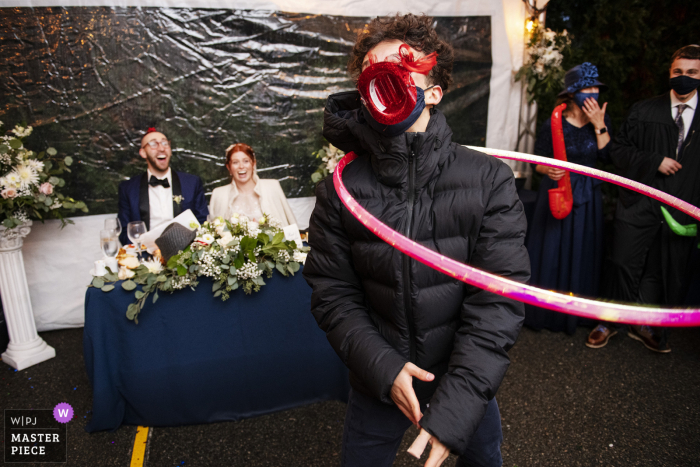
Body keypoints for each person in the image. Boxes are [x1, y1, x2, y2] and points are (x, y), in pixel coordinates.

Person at [302, 13, 530, 467]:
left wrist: (459, 405)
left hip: (462, 376)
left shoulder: (488, 181)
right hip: (377, 375)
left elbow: (497, 303)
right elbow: (332, 294)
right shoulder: (341, 188)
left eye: (400, 68)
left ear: (434, 93)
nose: (383, 78)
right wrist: (383, 370)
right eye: (372, 70)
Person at [587, 45, 700, 352]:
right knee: (622, 261)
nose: (684, 77)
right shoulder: (645, 110)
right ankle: (609, 320)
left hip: (682, 208)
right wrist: (655, 161)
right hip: (639, 202)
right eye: (678, 71)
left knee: (660, 269)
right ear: (669, 73)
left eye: (692, 73)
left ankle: (643, 322)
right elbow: (617, 152)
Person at [524, 63, 612, 335]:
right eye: (588, 88)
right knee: (552, 249)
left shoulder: (603, 120)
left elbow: (609, 159)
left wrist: (600, 126)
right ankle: (545, 312)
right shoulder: (554, 122)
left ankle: (576, 313)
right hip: (557, 191)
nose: (594, 93)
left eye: (596, 88)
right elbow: (535, 162)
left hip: (587, 196)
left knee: (582, 250)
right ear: (573, 93)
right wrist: (546, 168)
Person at [117, 128, 208, 246]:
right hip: (146, 258)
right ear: (143, 152)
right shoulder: (128, 189)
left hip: (185, 256)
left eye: (165, 143)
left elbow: (202, 223)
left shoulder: (191, 183)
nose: (161, 148)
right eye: (153, 144)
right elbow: (125, 233)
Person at [208, 143, 297, 226]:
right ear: (229, 167)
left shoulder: (272, 187)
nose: (241, 166)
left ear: (253, 163)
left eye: (246, 161)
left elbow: (291, 223)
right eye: (235, 162)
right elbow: (212, 232)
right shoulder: (219, 194)